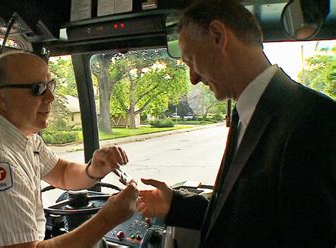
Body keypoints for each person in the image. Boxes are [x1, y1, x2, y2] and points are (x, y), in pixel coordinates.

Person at [138, 0, 336, 247]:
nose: (192, 79)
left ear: (219, 36)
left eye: (190, 60)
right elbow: (245, 214)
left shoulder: (313, 119)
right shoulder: (245, 114)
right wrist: (174, 205)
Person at [0, 51, 138, 248]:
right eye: (37, 88)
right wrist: (106, 219)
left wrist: (93, 170)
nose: (51, 97)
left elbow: (62, 173)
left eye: (50, 85)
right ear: (0, 97)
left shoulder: (20, 135)